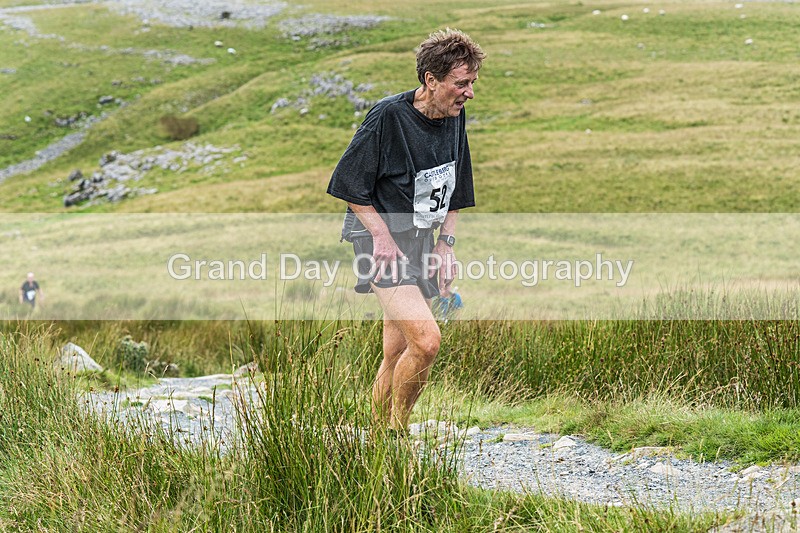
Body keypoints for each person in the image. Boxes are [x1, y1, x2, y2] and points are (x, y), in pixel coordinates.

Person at [327, 28, 485, 431]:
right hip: (380, 241)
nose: (469, 93)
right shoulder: (387, 117)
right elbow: (349, 187)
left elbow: (456, 185)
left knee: (397, 350)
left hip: (421, 240)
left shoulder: (454, 116)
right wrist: (380, 238)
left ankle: (377, 441)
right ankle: (397, 435)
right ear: (431, 80)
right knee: (427, 341)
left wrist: (445, 244)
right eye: (461, 83)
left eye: (472, 83)